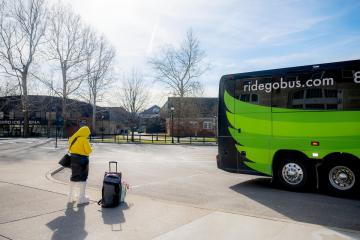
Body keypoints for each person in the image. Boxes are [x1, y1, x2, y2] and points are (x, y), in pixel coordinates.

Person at [67, 126, 92, 204]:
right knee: (83, 178)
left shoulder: (72, 138)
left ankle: (71, 196)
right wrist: (90, 147)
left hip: (73, 159)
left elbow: (70, 149)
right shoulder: (84, 140)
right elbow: (88, 151)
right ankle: (81, 197)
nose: (88, 135)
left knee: (74, 176)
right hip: (83, 160)